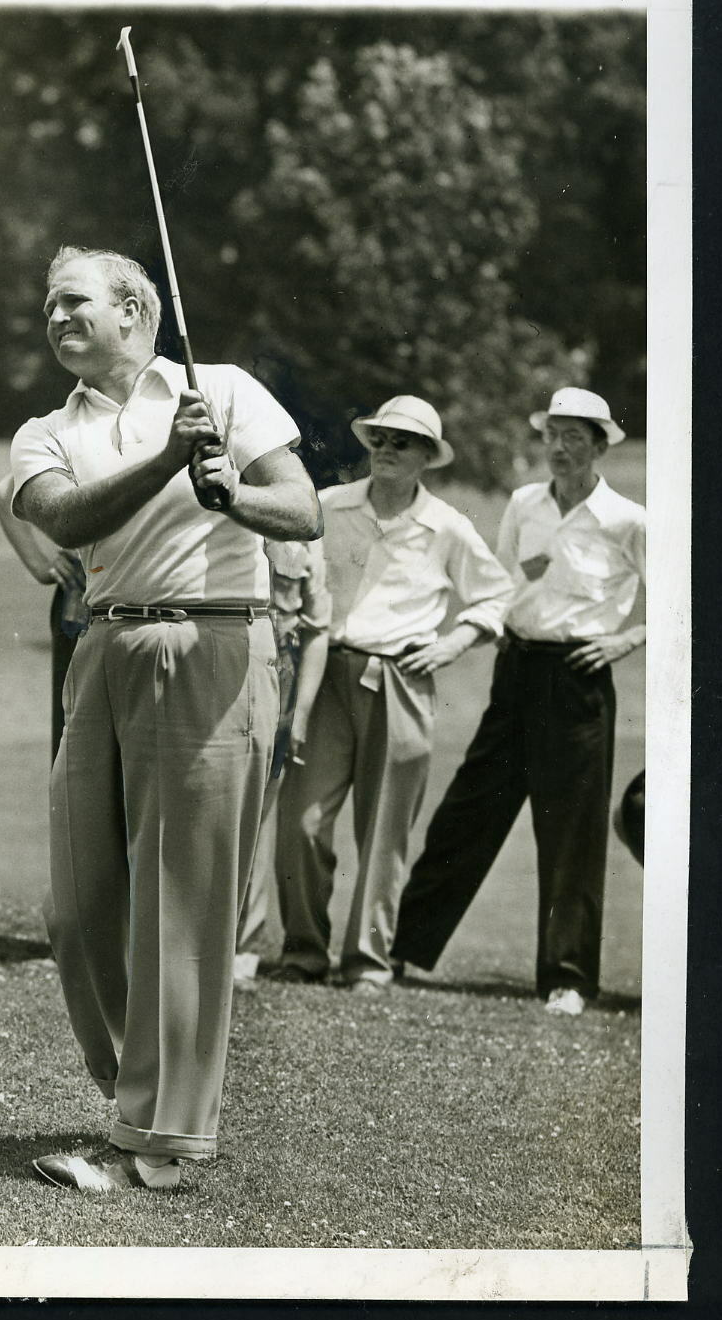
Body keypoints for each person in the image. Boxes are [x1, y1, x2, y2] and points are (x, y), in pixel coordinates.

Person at [10, 245, 320, 1193]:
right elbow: (66, 521)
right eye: (50, 307)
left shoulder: (220, 388)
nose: (58, 318)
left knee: (180, 908)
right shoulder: (39, 431)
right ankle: (140, 1087)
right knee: (78, 904)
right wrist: (168, 459)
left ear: (136, 310)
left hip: (216, 643)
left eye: (75, 303)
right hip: (105, 647)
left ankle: (160, 1138)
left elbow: (301, 511)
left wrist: (231, 491)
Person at [392, 388, 646, 1017]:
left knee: (571, 834)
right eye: (552, 435)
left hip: (579, 680)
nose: (559, 448)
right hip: (517, 672)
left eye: (574, 437)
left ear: (600, 445)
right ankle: (402, 951)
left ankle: (566, 979)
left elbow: (681, 607)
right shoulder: (524, 503)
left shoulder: (627, 520)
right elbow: (503, 584)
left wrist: (626, 640)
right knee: (467, 812)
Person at [273, 396, 513, 989]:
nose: (386, 449)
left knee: (384, 834)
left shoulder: (448, 526)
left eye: (402, 442)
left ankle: (367, 963)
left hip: (402, 681)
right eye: (379, 438)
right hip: (325, 675)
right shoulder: (328, 506)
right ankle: (303, 952)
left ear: (428, 457)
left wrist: (451, 645)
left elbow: (495, 596)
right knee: (301, 824)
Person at [233, 537, 332, 990]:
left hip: (280, 673)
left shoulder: (302, 530)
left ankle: (242, 950)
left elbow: (316, 629)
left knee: (257, 816)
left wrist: (302, 714)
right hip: (221, 662)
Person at [0, 471, 88, 758]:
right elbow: (5, 492)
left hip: (143, 598)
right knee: (76, 735)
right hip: (82, 596)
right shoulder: (74, 429)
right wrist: (41, 565)